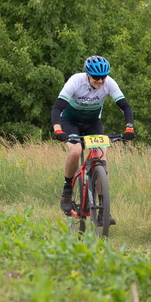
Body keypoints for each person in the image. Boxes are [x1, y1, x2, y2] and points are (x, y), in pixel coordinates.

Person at [51, 55, 136, 225]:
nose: (100, 81)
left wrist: (129, 127)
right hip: (70, 121)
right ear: (87, 74)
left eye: (103, 77)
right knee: (76, 151)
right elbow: (57, 108)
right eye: (96, 77)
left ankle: (103, 209)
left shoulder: (109, 83)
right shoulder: (76, 81)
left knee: (102, 159)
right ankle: (67, 189)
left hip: (92, 123)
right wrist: (58, 129)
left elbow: (125, 106)